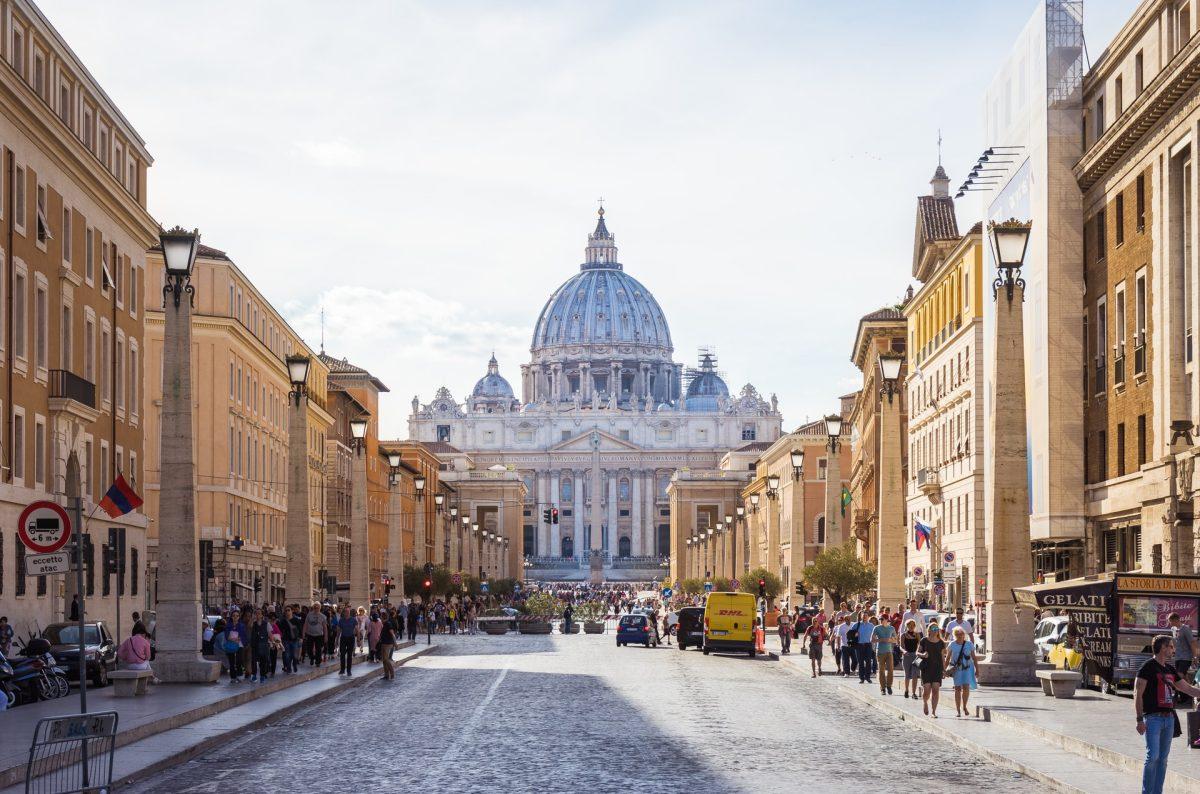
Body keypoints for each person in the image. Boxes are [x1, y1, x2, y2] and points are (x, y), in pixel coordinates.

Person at [1136, 634, 1200, 794]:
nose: (1173, 650)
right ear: (1163, 648)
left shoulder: (1170, 669)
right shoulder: (1147, 667)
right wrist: (1139, 719)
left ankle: (1157, 791)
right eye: (1171, 646)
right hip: (1152, 718)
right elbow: (1137, 694)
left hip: (1169, 719)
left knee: (1163, 759)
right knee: (1153, 756)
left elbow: (1187, 688)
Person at [1168, 612, 1199, 705]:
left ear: (1176, 620)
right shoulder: (1173, 629)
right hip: (1178, 657)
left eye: (1170, 621)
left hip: (1186, 657)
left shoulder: (1185, 629)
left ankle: (1174, 697)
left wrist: (1195, 656)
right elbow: (1176, 642)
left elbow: (1193, 643)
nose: (1169, 623)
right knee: (1184, 679)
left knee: (1178, 676)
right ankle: (1190, 697)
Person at [947, 626, 979, 717]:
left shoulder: (969, 644)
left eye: (961, 634)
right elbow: (948, 658)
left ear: (964, 635)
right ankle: (958, 710)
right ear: (954, 635)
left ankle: (964, 706)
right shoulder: (952, 644)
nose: (960, 636)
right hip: (957, 669)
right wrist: (944, 670)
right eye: (957, 634)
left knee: (966, 687)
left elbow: (974, 658)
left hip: (968, 669)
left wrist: (977, 670)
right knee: (957, 689)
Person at [917, 623, 946, 717]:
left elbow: (942, 657)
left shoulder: (941, 642)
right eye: (932, 628)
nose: (935, 630)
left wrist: (944, 669)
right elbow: (917, 652)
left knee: (936, 690)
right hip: (926, 668)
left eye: (936, 628)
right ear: (928, 630)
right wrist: (923, 654)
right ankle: (925, 702)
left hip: (937, 669)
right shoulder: (924, 640)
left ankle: (933, 712)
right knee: (927, 690)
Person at [872, 614, 897, 695]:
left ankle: (889, 686)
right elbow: (872, 639)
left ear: (887, 620)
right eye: (880, 619)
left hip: (889, 651)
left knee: (890, 670)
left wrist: (890, 640)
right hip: (880, 652)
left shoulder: (891, 628)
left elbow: (895, 640)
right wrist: (881, 639)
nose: (881, 620)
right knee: (881, 670)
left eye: (882, 619)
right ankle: (883, 688)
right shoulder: (877, 628)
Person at [899, 619, 922, 699]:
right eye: (909, 625)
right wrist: (904, 651)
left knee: (915, 674)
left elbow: (920, 645)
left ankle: (914, 693)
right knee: (907, 675)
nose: (911, 627)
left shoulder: (917, 635)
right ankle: (906, 690)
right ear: (907, 626)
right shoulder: (903, 635)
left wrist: (918, 652)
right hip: (907, 656)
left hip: (916, 657)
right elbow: (901, 646)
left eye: (913, 625)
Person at [223, 609, 244, 682]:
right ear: (231, 617)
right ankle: (233, 677)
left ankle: (239, 675)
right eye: (234, 616)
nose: (235, 617)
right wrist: (234, 640)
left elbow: (242, 635)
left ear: (239, 617)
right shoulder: (228, 625)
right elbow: (226, 636)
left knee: (239, 660)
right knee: (231, 662)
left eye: (237, 616)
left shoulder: (241, 625)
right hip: (230, 645)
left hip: (239, 645)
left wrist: (238, 639)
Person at [853, 614, 875, 684]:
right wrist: (854, 634)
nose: (865, 617)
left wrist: (874, 645)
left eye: (866, 616)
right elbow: (850, 633)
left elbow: (874, 635)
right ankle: (861, 678)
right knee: (860, 662)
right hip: (859, 645)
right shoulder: (857, 624)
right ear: (861, 617)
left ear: (868, 617)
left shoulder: (871, 625)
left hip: (868, 645)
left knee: (868, 662)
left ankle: (868, 677)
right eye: (863, 616)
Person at [378, 615, 397, 680]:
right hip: (384, 643)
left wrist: (395, 643)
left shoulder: (388, 624)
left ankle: (392, 673)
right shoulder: (385, 624)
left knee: (386, 659)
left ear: (383, 618)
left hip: (388, 644)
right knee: (384, 660)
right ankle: (386, 675)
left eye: (381, 618)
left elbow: (392, 634)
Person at [338, 607, 357, 675]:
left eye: (348, 611)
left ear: (349, 612)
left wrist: (358, 639)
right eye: (345, 611)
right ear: (344, 612)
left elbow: (356, 629)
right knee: (342, 654)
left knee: (349, 655)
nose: (347, 613)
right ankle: (342, 669)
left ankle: (349, 670)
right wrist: (337, 639)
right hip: (343, 638)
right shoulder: (341, 620)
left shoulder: (353, 620)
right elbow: (339, 630)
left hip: (351, 638)